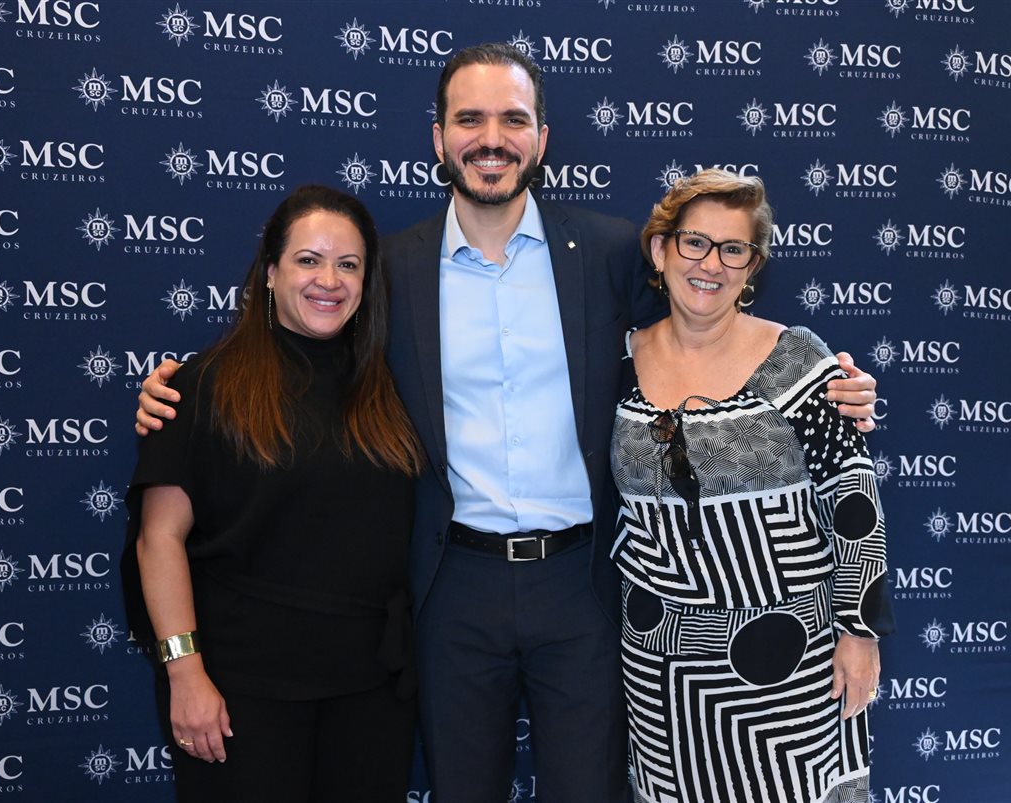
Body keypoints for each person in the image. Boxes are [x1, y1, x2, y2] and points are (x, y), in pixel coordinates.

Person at [134, 44, 880, 803]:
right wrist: (179, 392)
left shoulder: (613, 252)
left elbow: (702, 327)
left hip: (584, 582)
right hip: (452, 587)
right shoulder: (387, 270)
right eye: (470, 119)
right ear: (438, 138)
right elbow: (303, 360)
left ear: (542, 140)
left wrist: (818, 378)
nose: (491, 138)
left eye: (513, 119)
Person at [121, 185, 422, 803]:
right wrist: (185, 673)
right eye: (308, 260)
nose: (329, 281)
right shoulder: (203, 385)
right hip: (239, 692)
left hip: (369, 693)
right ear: (269, 273)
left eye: (348, 264)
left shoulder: (393, 388)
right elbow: (159, 540)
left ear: (368, 281)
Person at [612, 169, 893, 802]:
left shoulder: (797, 360)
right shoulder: (616, 361)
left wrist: (857, 631)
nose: (710, 263)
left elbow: (852, 501)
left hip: (792, 660)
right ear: (661, 250)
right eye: (694, 243)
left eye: (733, 249)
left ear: (751, 266)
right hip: (661, 669)